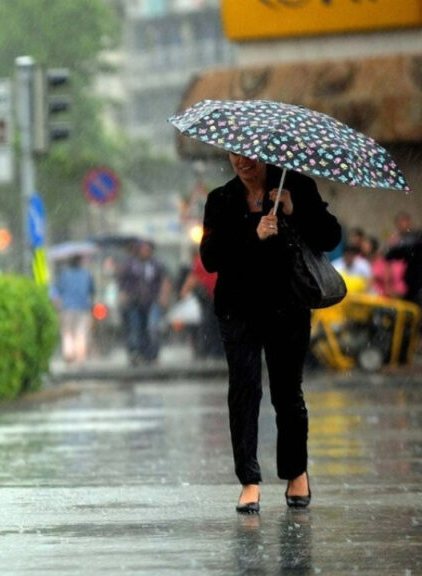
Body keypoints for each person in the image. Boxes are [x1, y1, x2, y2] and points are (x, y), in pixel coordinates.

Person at [200, 152, 341, 515]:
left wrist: (296, 211)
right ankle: (249, 481)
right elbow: (210, 257)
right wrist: (253, 232)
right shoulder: (220, 199)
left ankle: (296, 473)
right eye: (235, 155)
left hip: (287, 307)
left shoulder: (295, 186)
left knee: (287, 393)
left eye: (251, 156)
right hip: (238, 309)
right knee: (244, 392)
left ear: (266, 155)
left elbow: (330, 237)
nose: (243, 162)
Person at [116, 241, 169, 365]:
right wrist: (124, 294)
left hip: (152, 300)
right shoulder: (130, 264)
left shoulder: (156, 264)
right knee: (135, 328)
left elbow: (164, 279)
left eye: (147, 250)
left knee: (152, 327)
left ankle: (152, 354)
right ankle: (135, 353)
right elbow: (121, 281)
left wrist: (163, 296)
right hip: (134, 301)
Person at [52, 255, 95, 364]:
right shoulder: (86, 275)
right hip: (83, 307)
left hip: (67, 308)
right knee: (81, 333)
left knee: (67, 333)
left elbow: (57, 290)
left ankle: (69, 354)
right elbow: (92, 290)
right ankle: (80, 357)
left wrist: (57, 303)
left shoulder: (64, 275)